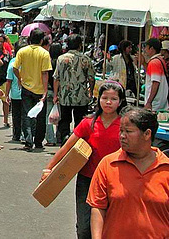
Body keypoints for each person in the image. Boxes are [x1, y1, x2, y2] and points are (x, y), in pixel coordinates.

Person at [41, 82, 125, 239]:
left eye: (113, 99)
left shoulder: (125, 125)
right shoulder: (88, 123)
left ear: (120, 102)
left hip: (115, 181)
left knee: (109, 226)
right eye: (104, 98)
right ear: (98, 99)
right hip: (87, 180)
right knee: (84, 228)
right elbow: (66, 148)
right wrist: (49, 168)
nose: (108, 102)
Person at [87, 106, 169, 238]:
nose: (122, 136)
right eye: (121, 131)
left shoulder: (166, 168)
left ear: (147, 134)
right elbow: (98, 207)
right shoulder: (108, 164)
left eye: (128, 131)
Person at [13, 29, 52, 152]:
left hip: (26, 87)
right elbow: (45, 73)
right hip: (40, 89)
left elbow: (15, 68)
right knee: (40, 116)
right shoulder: (44, 53)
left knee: (26, 114)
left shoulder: (22, 51)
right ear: (41, 40)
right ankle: (38, 142)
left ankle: (28, 140)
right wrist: (45, 91)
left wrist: (20, 79)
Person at [53, 35, 96, 143]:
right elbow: (91, 78)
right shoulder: (85, 59)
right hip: (81, 96)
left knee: (64, 121)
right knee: (80, 121)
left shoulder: (61, 59)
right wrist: (90, 90)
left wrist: (55, 94)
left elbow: (56, 78)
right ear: (80, 45)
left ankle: (64, 141)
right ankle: (78, 142)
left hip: (64, 96)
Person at [142, 38, 169, 111]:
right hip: (160, 101)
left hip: (155, 103)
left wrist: (149, 102)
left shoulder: (154, 62)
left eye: (146, 47)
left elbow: (155, 83)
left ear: (151, 48)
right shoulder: (160, 60)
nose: (145, 50)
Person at [5, 41, 25, 142]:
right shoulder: (28, 62)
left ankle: (17, 135)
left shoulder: (12, 63)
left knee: (16, 116)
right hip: (26, 93)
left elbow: (9, 80)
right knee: (25, 115)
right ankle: (26, 134)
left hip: (16, 95)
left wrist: (6, 95)